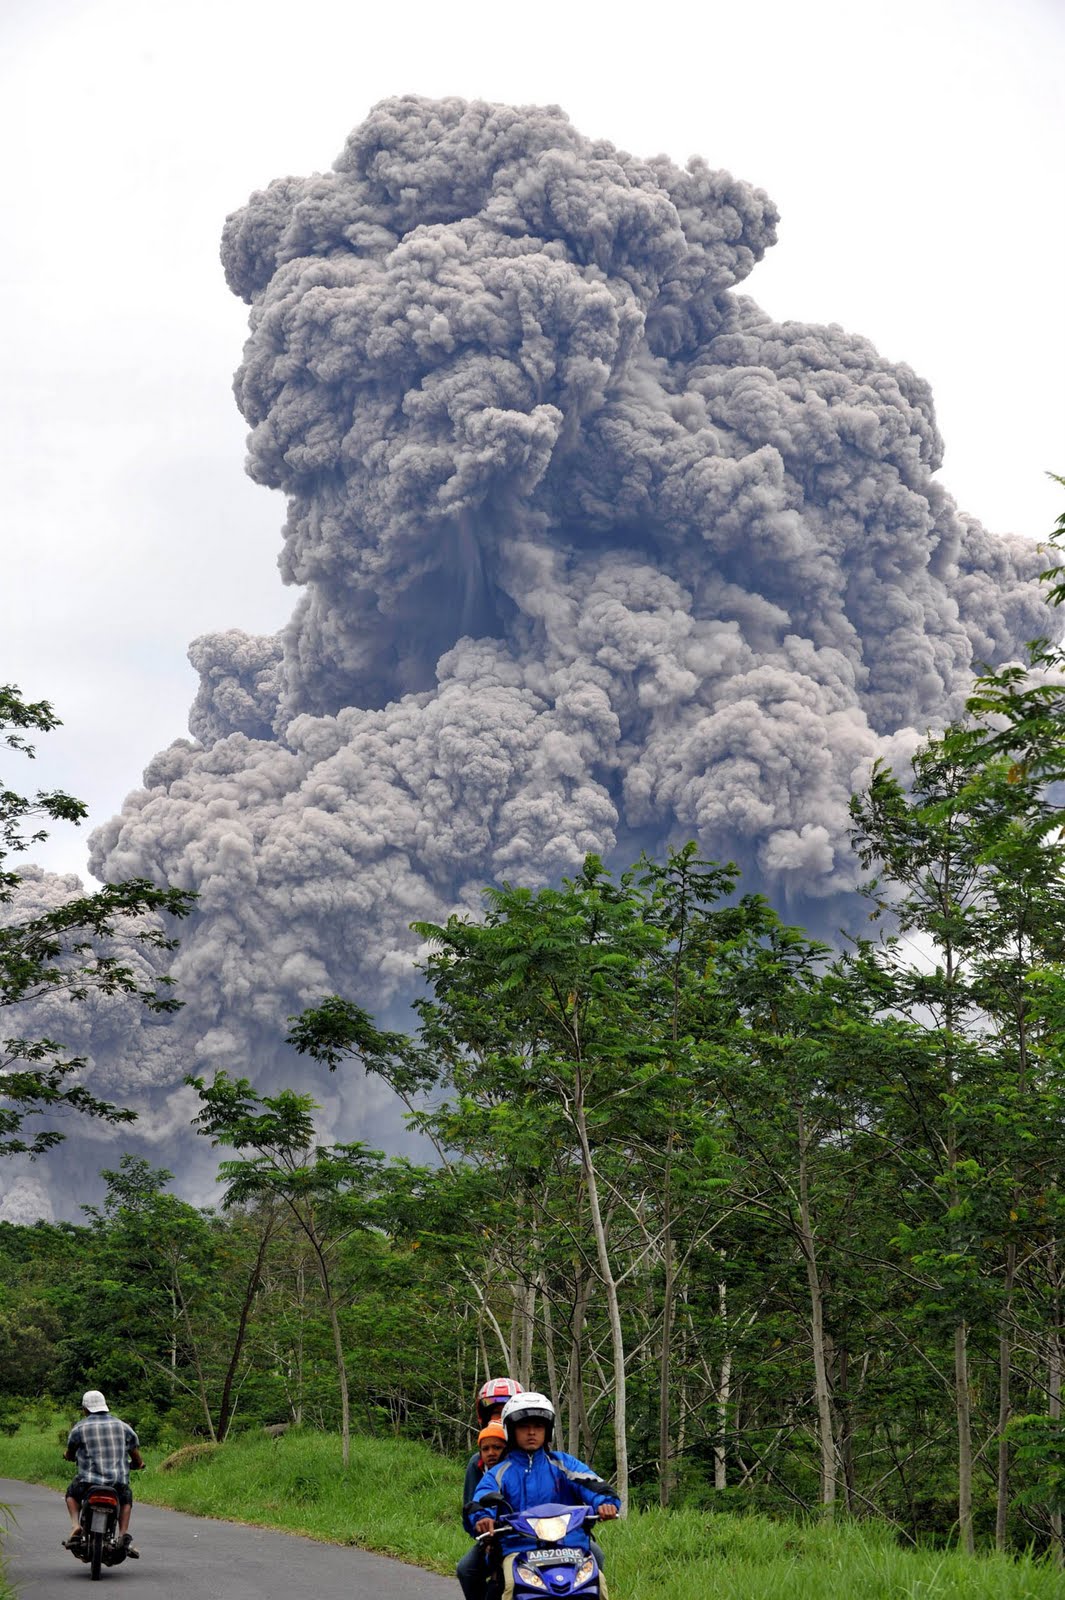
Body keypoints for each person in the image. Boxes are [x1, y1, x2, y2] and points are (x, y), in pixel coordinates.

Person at [468, 1392, 619, 1599]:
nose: (531, 1432)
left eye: (538, 1427)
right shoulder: (500, 1472)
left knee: (597, 1584)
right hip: (519, 1547)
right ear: (511, 1430)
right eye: (524, 1426)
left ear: (548, 1431)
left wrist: (606, 1503)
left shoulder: (564, 1464)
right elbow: (482, 1498)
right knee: (510, 1587)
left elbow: (593, 1484)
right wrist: (483, 1517)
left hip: (570, 1546)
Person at [457, 1379, 523, 1600]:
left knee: (593, 1554)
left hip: (540, 1533)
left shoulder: (539, 1455)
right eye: (494, 1413)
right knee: (466, 1570)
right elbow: (470, 1507)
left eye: (505, 1413)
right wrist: (483, 1531)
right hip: (497, 1537)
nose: (499, 1419)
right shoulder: (479, 1462)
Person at [63, 1389, 144, 1558]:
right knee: (126, 1498)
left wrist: (68, 1456)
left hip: (88, 1483)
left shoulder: (79, 1428)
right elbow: (135, 1454)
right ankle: (122, 1535)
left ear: (85, 1409)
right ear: (105, 1406)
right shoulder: (123, 1427)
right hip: (117, 1483)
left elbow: (70, 1452)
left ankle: (75, 1525)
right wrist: (138, 1464)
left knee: (71, 1494)